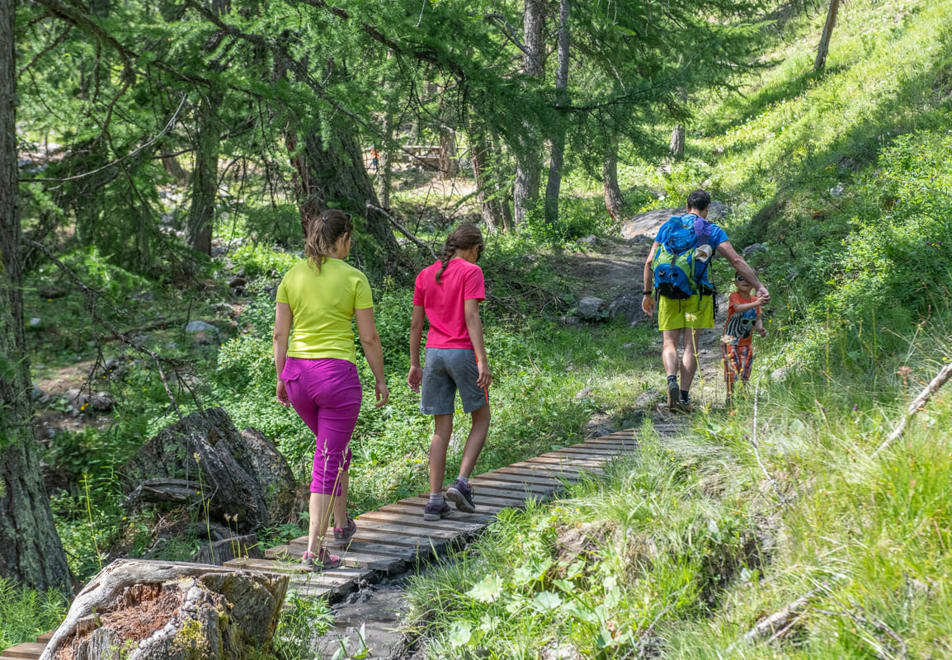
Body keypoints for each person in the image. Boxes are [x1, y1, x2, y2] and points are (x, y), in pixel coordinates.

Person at [273, 209, 389, 571]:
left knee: (334, 451)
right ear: (342, 239)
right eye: (349, 239)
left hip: (297, 377)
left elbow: (279, 334)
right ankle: (314, 551)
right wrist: (380, 379)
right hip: (336, 379)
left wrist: (281, 376)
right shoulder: (354, 278)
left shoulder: (292, 276)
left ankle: (341, 525)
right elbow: (368, 338)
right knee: (327, 459)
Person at [641, 189, 769, 410]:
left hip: (669, 295)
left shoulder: (669, 227)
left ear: (687, 206)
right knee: (691, 346)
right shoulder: (711, 230)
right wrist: (758, 285)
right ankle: (683, 397)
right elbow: (736, 260)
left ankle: (671, 379)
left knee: (669, 343)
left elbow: (649, 262)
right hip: (697, 298)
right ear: (707, 207)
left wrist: (647, 294)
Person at [408, 225, 491, 520]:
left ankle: (434, 500)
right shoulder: (471, 271)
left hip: (433, 355)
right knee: (482, 418)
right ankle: (462, 483)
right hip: (461, 353)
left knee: (441, 429)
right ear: (474, 248)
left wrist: (414, 363)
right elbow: (471, 315)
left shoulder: (424, 275)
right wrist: (482, 359)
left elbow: (416, 325)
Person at [722, 271, 767, 406]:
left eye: (748, 278)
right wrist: (757, 302)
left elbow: (757, 318)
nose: (745, 281)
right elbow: (737, 308)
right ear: (735, 282)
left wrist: (760, 329)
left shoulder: (755, 300)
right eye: (741, 278)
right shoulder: (734, 296)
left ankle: (743, 394)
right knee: (732, 367)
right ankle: (730, 396)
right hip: (730, 338)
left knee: (746, 368)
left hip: (746, 341)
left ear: (753, 283)